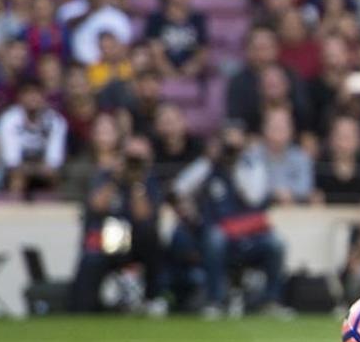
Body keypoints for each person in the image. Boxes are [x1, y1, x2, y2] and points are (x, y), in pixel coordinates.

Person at [173, 123, 287, 316]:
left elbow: (253, 197)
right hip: (218, 231)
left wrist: (235, 165)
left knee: (276, 244)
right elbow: (179, 187)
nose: (230, 150)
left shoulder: (251, 164)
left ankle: (271, 301)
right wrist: (210, 160)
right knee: (215, 238)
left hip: (249, 232)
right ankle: (215, 300)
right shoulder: (208, 166)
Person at [70, 134, 165, 314]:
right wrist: (115, 179)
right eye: (131, 158)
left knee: (152, 239)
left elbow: (143, 217)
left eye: (139, 159)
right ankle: (85, 307)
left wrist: (137, 183)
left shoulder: (149, 181)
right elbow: (96, 205)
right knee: (90, 262)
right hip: (106, 241)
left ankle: (153, 298)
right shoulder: (106, 176)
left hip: (137, 244)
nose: (133, 163)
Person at [0, 82, 67, 198]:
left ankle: (55, 208)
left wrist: (39, 169)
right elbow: (12, 161)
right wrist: (30, 169)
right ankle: (11, 210)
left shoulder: (55, 121)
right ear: (20, 97)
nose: (32, 97)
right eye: (28, 93)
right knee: (17, 177)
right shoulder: (9, 120)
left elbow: (54, 161)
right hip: (14, 172)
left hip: (44, 170)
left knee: (55, 175)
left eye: (37, 93)